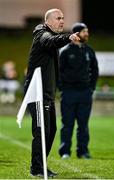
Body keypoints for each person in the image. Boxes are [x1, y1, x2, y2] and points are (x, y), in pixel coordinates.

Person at [24, 8, 80, 178]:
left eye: (63, 18)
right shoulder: (42, 35)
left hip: (46, 93)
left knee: (51, 130)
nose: (61, 21)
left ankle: (39, 165)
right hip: (37, 93)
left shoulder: (49, 36)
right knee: (41, 132)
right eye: (58, 18)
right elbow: (51, 41)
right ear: (47, 21)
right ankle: (38, 168)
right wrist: (68, 37)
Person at [58, 22, 99, 159]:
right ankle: (65, 151)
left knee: (83, 125)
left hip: (85, 93)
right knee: (67, 124)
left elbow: (95, 70)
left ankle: (83, 151)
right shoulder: (65, 51)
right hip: (69, 93)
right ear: (76, 34)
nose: (86, 34)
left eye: (87, 31)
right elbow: (58, 71)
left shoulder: (89, 51)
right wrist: (62, 87)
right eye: (83, 31)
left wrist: (91, 87)